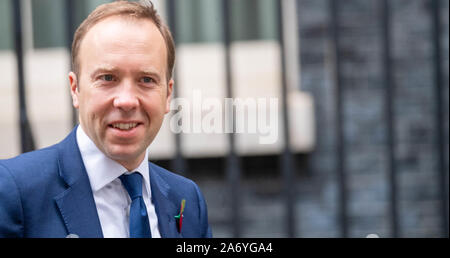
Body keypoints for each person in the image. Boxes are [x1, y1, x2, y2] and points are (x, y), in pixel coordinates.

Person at [0, 0, 212, 238]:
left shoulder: (187, 200)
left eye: (146, 80)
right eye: (108, 78)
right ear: (75, 88)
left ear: (167, 95)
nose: (127, 101)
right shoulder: (13, 192)